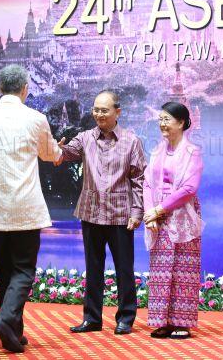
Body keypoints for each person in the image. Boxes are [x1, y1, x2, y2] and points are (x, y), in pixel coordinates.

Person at [0, 64, 62, 353]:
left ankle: (12, 332)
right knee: (24, 271)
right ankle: (5, 319)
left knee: (5, 272)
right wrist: (59, 151)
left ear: (0, 87)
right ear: (25, 89)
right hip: (25, 210)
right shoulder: (36, 118)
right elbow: (49, 153)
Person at [57, 90, 146, 335]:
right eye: (95, 109)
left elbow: (139, 179)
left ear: (118, 112)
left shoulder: (131, 141)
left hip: (120, 214)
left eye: (104, 110)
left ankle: (126, 317)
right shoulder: (85, 138)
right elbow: (65, 153)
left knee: (124, 269)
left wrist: (137, 211)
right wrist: (56, 150)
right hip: (91, 212)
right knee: (93, 267)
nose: (98, 114)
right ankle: (92, 318)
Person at [143, 102, 203, 339]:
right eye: (160, 119)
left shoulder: (192, 152)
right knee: (161, 268)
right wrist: (150, 213)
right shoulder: (157, 151)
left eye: (167, 119)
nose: (162, 124)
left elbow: (189, 188)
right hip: (158, 216)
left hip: (181, 215)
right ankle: (163, 321)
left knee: (182, 268)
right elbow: (147, 183)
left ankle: (182, 322)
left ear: (181, 123)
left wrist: (159, 208)